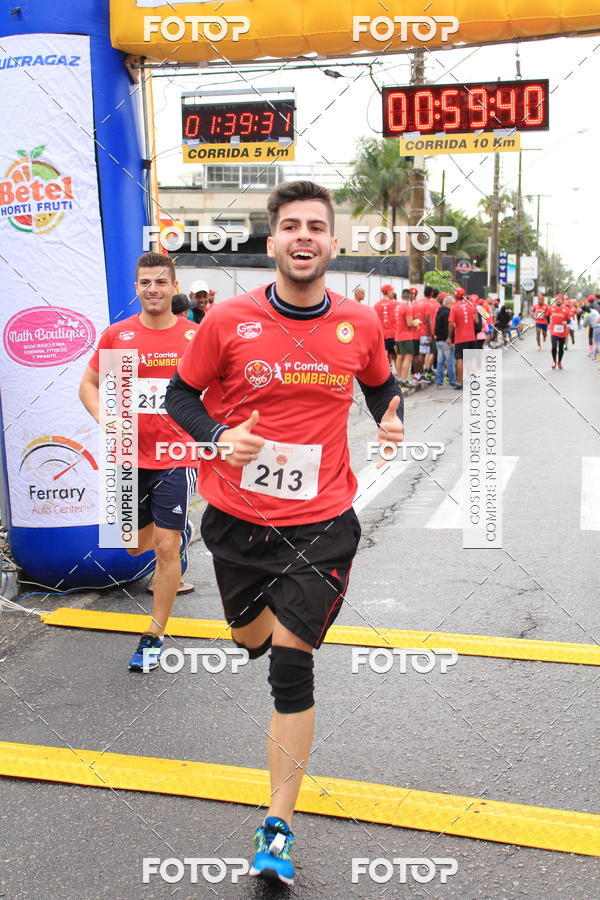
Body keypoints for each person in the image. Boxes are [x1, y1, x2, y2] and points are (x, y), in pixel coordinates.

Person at [164, 181, 404, 886]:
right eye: (291, 226)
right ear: (272, 242)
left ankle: (278, 826)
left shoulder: (358, 323)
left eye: (316, 227)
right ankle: (258, 626)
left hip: (324, 522)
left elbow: (382, 385)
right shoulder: (227, 321)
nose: (304, 236)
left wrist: (392, 415)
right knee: (250, 639)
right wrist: (216, 437)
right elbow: (181, 394)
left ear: (332, 243)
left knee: (289, 668)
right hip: (238, 522)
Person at [79, 253, 199, 670]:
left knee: (166, 547)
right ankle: (178, 531)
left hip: (175, 455)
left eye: (161, 283)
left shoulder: (193, 338)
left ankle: (153, 634)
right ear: (136, 288)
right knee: (132, 547)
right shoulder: (118, 336)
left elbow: (218, 391)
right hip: (127, 454)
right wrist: (103, 416)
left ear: (174, 286)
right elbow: (90, 384)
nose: (153, 289)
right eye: (146, 282)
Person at [447, 287, 479, 389]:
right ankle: (474, 380)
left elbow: (451, 323)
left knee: (459, 359)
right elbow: (476, 321)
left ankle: (459, 382)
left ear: (455, 296)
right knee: (471, 358)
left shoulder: (454, 307)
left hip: (460, 338)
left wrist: (449, 337)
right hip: (471, 337)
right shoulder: (471, 305)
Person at [394, 287, 417, 386]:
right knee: (408, 357)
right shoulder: (407, 308)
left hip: (398, 335)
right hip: (406, 335)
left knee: (399, 356)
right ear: (410, 296)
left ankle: (398, 378)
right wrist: (415, 323)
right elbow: (409, 323)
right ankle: (404, 380)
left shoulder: (397, 307)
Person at [434, 295, 457, 388]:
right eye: (452, 303)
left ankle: (439, 382)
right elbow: (447, 327)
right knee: (450, 361)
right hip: (446, 340)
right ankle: (452, 381)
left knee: (440, 362)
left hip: (439, 340)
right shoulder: (447, 313)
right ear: (447, 303)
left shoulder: (439, 311)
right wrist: (450, 338)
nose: (453, 305)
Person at [373, 284, 399, 366]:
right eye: (392, 291)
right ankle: (399, 376)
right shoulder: (396, 304)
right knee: (398, 356)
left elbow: (375, 321)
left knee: (384, 357)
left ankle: (387, 374)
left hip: (382, 335)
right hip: (394, 334)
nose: (393, 292)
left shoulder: (376, 306)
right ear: (388, 292)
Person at [548, 297, 569, 369]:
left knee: (560, 348)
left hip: (562, 331)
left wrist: (566, 322)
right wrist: (548, 324)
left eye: (559, 299)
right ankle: (554, 361)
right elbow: (547, 315)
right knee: (554, 346)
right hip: (553, 331)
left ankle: (559, 362)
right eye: (556, 299)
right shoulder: (552, 308)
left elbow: (569, 320)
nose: (558, 301)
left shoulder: (566, 309)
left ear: (562, 300)